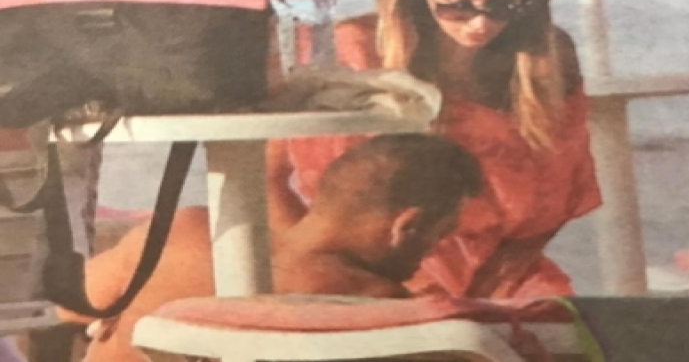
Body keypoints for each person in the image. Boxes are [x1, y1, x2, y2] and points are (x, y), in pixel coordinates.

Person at [266, 0, 602, 299]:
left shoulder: (545, 60)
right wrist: (321, 272)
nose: (479, 24)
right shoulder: (353, 51)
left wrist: (488, 290)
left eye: (500, 6)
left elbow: (558, 197)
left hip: (500, 275)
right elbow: (266, 179)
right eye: (457, 6)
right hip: (358, 278)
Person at [57, 133, 483, 362]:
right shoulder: (374, 303)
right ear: (407, 226)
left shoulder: (183, 232)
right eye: (441, 234)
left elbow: (70, 307)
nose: (434, 252)